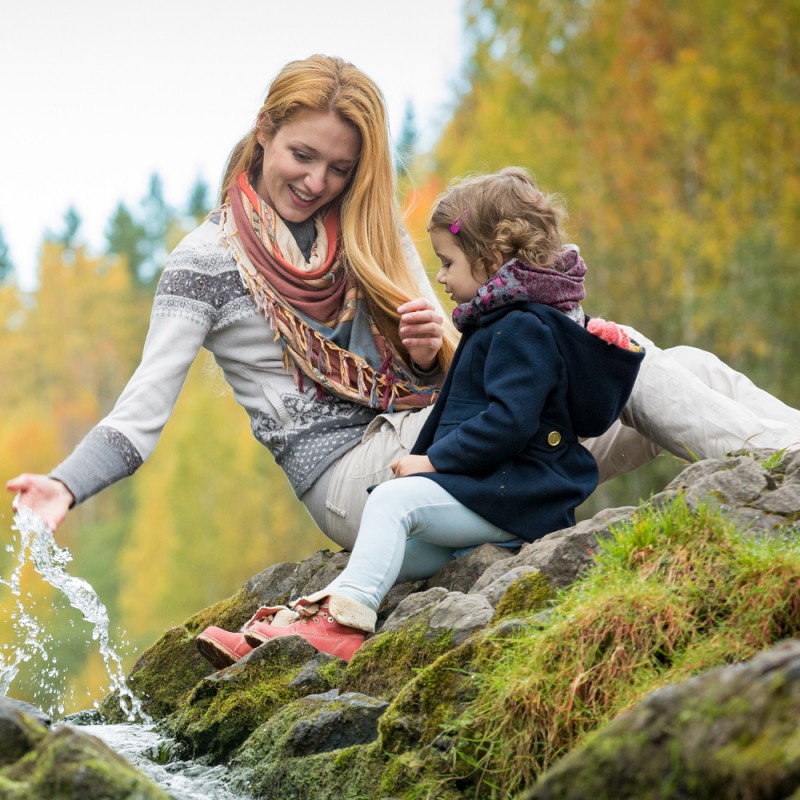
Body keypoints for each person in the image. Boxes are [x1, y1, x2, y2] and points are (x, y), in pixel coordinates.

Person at [6, 55, 800, 585]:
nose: (317, 182)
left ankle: (785, 461)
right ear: (264, 134)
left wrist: (439, 346)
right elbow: (138, 418)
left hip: (457, 437)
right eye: (301, 156)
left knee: (676, 364)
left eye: (341, 168)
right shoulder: (202, 263)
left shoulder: (374, 225)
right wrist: (64, 488)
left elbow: (479, 369)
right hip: (363, 482)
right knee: (631, 364)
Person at [195, 168, 646, 666]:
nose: (441, 277)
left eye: (448, 263)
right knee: (384, 556)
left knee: (393, 502)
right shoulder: (501, 322)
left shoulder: (520, 327)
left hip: (519, 497)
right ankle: (299, 628)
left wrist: (432, 462)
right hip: (498, 496)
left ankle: (342, 628)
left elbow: (510, 423)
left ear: (491, 261)